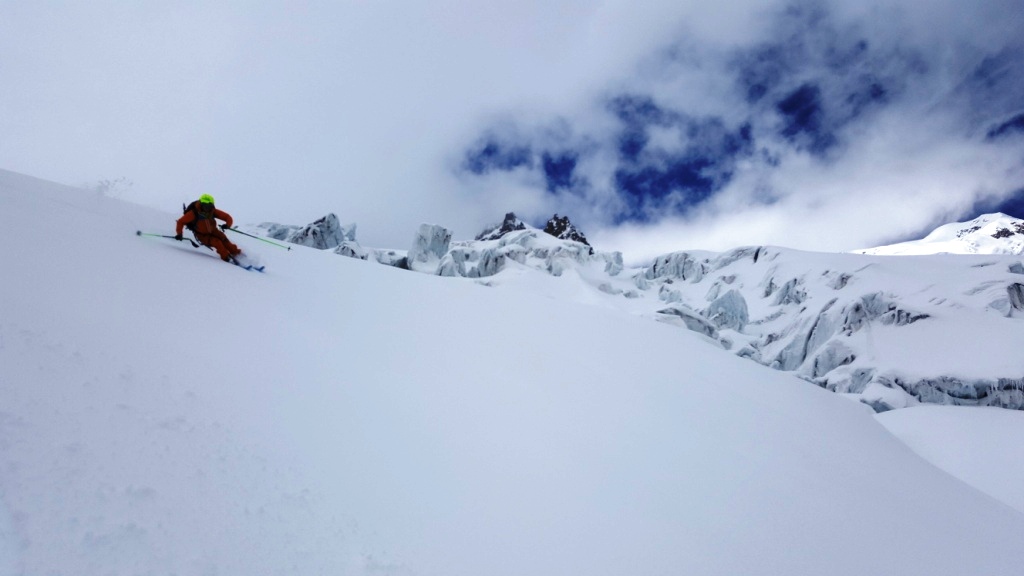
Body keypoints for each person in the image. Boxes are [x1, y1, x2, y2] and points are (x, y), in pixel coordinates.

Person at [175, 194, 243, 262]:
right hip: (202, 235)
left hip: (214, 231)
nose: (206, 208)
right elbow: (180, 222)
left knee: (224, 239)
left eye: (208, 206)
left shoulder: (212, 211)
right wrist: (179, 233)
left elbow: (227, 217)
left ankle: (237, 253)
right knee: (217, 242)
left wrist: (228, 225)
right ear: (201, 204)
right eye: (204, 205)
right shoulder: (194, 213)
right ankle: (226, 258)